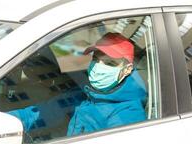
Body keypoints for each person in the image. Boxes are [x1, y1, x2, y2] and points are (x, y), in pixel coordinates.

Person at [8, 32, 147, 136]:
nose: (98, 66)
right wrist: (3, 122)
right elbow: (40, 113)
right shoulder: (87, 94)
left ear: (127, 69)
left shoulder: (128, 116)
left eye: (110, 62)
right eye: (96, 58)